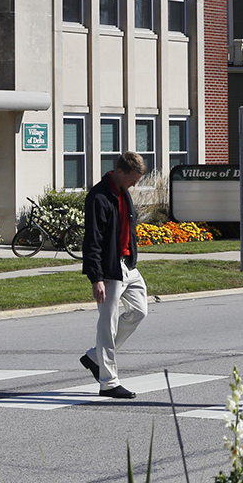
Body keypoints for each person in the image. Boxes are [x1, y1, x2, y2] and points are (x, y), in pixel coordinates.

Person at [78, 151, 148, 399]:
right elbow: (93, 240)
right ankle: (108, 383)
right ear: (119, 171)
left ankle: (95, 357)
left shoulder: (123, 191)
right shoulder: (98, 197)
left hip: (127, 265)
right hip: (109, 270)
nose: (134, 185)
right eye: (132, 179)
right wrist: (96, 278)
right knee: (107, 325)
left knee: (139, 311)